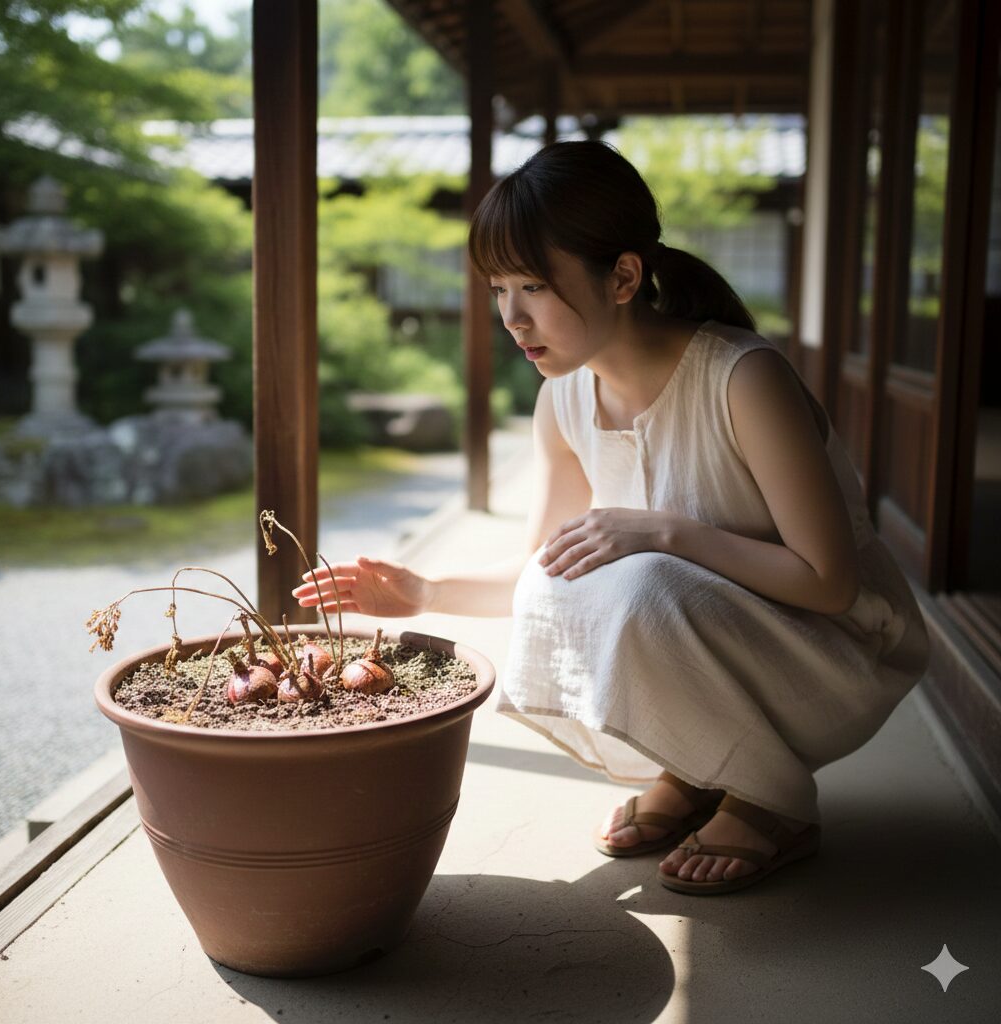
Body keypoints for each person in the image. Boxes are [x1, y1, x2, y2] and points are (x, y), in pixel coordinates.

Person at [293, 140, 929, 896]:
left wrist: (661, 529)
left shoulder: (741, 378)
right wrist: (425, 592)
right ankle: (697, 773)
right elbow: (542, 569)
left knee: (642, 579)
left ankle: (772, 800)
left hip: (835, 651)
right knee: (571, 581)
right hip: (732, 640)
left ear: (624, 276)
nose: (512, 317)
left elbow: (829, 584)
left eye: (532, 285)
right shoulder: (562, 399)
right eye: (498, 289)